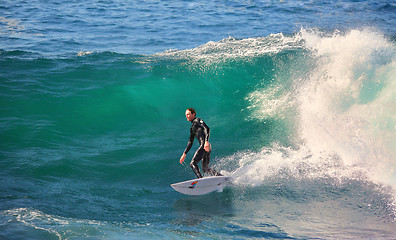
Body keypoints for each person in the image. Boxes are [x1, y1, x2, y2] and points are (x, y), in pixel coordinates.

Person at [179, 108, 222, 178]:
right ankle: (221, 177)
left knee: (192, 163)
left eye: (188, 114)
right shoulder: (192, 128)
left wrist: (206, 141)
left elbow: (207, 128)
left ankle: (200, 180)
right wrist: (184, 153)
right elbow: (190, 142)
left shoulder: (197, 120)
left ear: (193, 114)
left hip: (204, 146)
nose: (186, 116)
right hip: (206, 147)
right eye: (186, 115)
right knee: (205, 169)